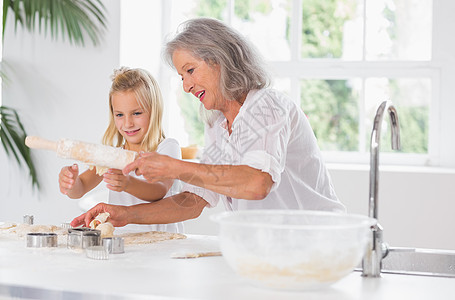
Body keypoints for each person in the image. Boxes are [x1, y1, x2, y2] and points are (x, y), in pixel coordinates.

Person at [71, 18, 345, 229]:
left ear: (220, 61)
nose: (187, 86)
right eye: (181, 77)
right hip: (269, 251)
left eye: (190, 70)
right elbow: (192, 201)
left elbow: (257, 183)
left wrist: (173, 167)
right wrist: (125, 214)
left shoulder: (267, 107)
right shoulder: (217, 125)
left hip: (316, 242)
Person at [60, 67, 183, 233]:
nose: (127, 123)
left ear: (154, 111)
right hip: (126, 245)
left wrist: (128, 183)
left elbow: (159, 190)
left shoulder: (167, 148)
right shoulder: (112, 156)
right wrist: (71, 182)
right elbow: (80, 189)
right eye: (119, 115)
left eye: (136, 113)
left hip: (164, 245)